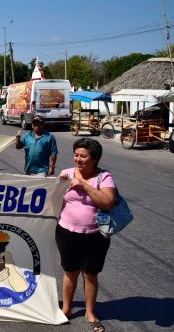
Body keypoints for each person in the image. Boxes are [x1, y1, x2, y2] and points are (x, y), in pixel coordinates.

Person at [56, 138, 116, 332]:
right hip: (67, 232)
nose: (78, 160)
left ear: (95, 158)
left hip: (95, 235)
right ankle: (66, 309)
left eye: (83, 156)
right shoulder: (66, 173)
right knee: (70, 271)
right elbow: (52, 198)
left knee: (90, 274)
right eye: (76, 155)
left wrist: (82, 185)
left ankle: (90, 312)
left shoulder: (104, 177)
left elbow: (107, 202)